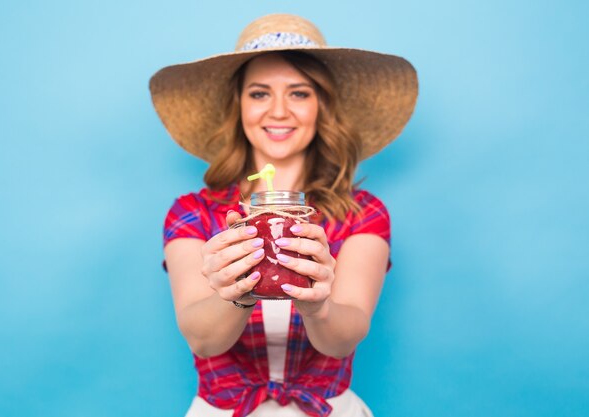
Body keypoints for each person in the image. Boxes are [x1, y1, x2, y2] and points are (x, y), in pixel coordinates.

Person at [149, 13, 418, 417]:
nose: (278, 111)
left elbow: (344, 338)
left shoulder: (362, 214)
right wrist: (236, 293)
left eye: (299, 93)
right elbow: (202, 340)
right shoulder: (194, 213)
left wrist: (317, 305)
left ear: (321, 106)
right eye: (259, 93)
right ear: (238, 105)